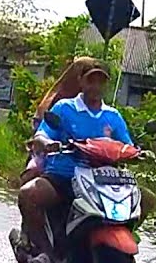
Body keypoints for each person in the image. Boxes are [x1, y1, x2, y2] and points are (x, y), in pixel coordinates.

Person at [17, 63, 133, 263]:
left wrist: (137, 154)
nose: (96, 86)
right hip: (63, 177)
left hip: (101, 182)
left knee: (146, 199)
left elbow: (127, 145)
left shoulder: (113, 116)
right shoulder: (64, 108)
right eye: (91, 80)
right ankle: (46, 252)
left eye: (101, 81)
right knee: (28, 195)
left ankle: (117, 244)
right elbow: (43, 133)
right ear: (80, 81)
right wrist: (45, 143)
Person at [19, 57, 99, 186]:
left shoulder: (102, 109)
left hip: (88, 165)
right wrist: (49, 143)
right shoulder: (58, 103)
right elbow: (41, 127)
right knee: (33, 178)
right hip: (53, 157)